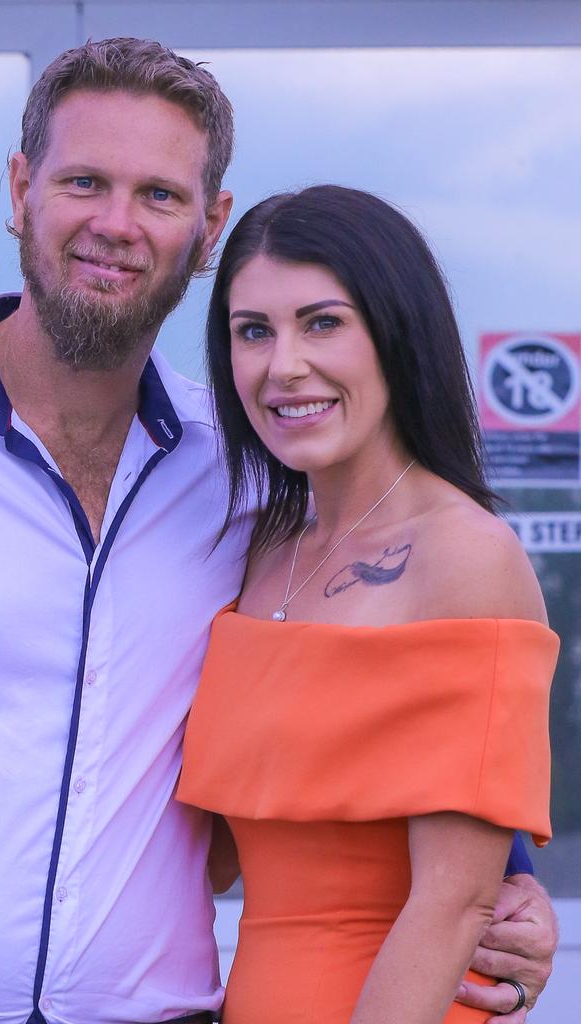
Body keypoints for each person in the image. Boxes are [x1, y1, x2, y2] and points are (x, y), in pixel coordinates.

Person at [0, 38, 557, 1024]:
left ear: (208, 227)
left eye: (159, 196)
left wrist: (496, 894)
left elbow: (400, 735)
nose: (117, 224)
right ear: (21, 186)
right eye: (85, 181)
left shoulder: (247, 480)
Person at [177, 185, 559, 1024]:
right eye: (253, 331)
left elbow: (454, 905)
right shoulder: (260, 551)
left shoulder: (465, 553)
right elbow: (218, 857)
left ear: (395, 331)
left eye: (322, 322)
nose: (283, 366)